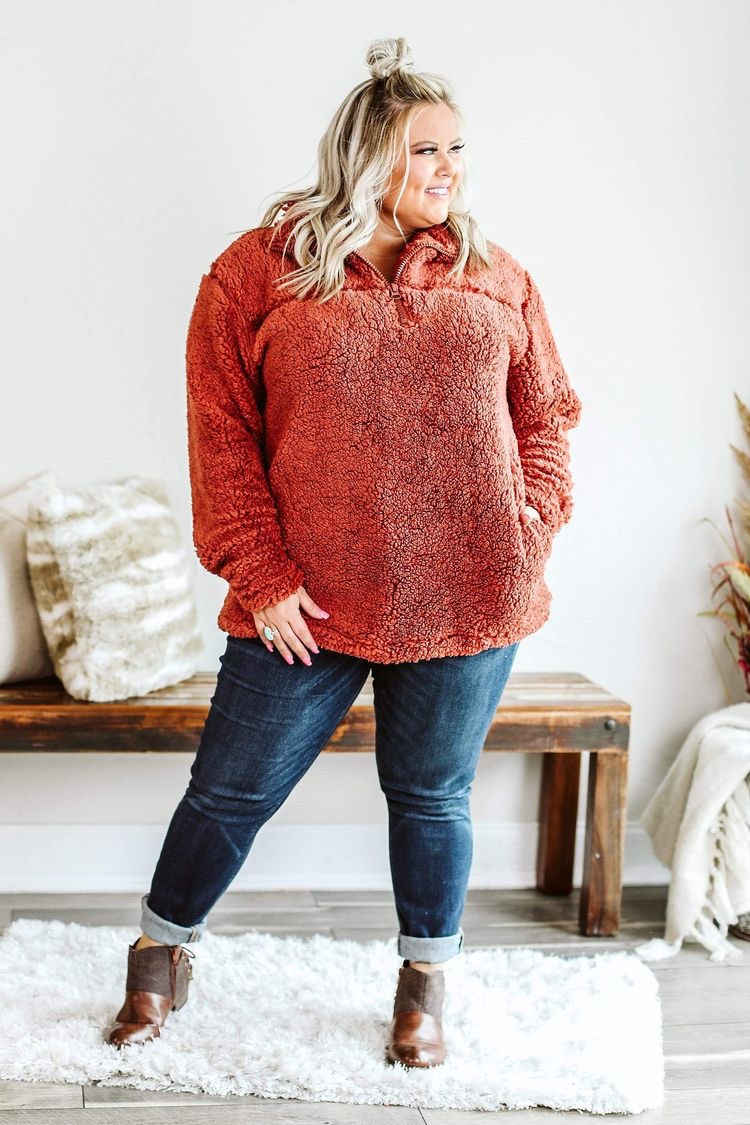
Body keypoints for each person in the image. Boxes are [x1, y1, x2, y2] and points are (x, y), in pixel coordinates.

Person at [104, 35, 582, 1069]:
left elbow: (547, 417)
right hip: (303, 603)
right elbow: (220, 431)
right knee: (230, 791)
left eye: (458, 147)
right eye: (426, 149)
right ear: (367, 156)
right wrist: (261, 575)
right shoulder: (257, 272)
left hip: (469, 593)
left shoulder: (497, 277)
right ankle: (160, 955)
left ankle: (423, 985)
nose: (450, 168)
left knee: (433, 796)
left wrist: (528, 526)